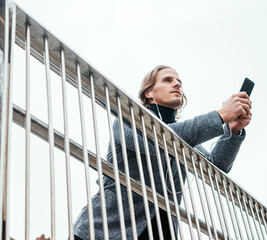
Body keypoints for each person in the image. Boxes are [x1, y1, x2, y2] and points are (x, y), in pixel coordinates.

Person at [72, 65, 252, 240]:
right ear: (148, 93)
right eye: (168, 80)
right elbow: (154, 142)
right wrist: (220, 115)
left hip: (160, 229)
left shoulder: (185, 139)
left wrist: (233, 130)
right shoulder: (127, 120)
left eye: (179, 81)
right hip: (107, 229)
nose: (177, 84)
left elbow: (216, 165)